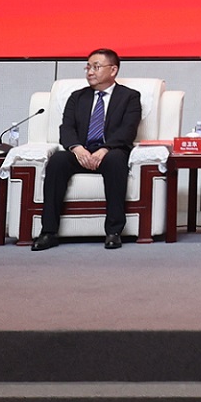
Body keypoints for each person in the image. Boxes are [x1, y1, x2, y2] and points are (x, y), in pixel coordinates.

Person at [34, 48, 141, 251]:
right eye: (88, 67)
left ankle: (113, 231)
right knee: (57, 161)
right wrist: (77, 148)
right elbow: (66, 128)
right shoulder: (77, 97)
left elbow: (128, 130)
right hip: (81, 152)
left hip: (111, 152)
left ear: (113, 70)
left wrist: (105, 149)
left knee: (116, 160)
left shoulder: (129, 97)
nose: (90, 72)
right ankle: (48, 231)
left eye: (96, 67)